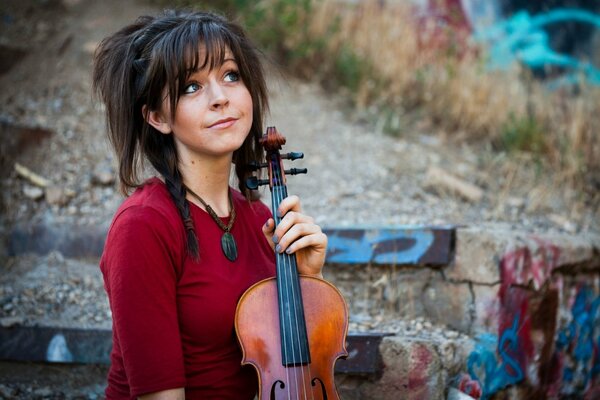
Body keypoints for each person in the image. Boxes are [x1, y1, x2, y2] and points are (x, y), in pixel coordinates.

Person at [93, 9, 327, 400]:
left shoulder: (260, 217)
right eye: (191, 87)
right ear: (156, 117)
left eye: (231, 76)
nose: (221, 98)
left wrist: (310, 280)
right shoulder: (145, 226)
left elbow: (299, 371)